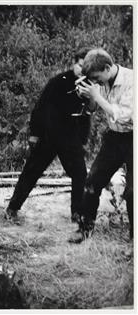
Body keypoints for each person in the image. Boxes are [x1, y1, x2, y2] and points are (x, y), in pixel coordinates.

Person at [4, 47, 93, 224]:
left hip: (70, 138)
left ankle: (77, 213)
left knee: (80, 174)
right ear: (74, 63)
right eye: (80, 65)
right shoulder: (59, 81)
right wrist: (34, 134)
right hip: (48, 135)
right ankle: (12, 208)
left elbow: (86, 116)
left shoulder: (90, 86)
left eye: (86, 67)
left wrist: (83, 140)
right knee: (31, 171)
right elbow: (40, 108)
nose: (82, 70)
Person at [68, 48, 133, 243]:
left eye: (96, 78)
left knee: (133, 192)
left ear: (107, 68)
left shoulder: (132, 81)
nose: (96, 83)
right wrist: (88, 97)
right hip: (114, 138)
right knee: (91, 182)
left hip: (133, 137)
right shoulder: (101, 81)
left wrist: (96, 96)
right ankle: (85, 229)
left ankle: (134, 239)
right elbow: (94, 109)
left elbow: (124, 116)